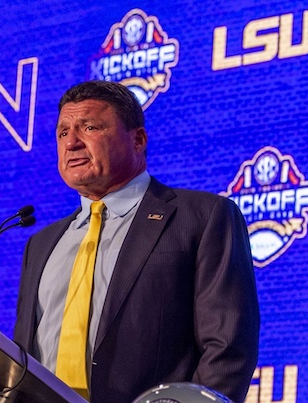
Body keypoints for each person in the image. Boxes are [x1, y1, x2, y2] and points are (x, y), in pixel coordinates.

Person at [13, 80, 259, 402]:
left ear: (138, 140)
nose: (71, 143)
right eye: (62, 133)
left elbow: (228, 345)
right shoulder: (41, 244)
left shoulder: (201, 217)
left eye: (89, 127)